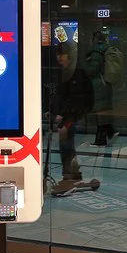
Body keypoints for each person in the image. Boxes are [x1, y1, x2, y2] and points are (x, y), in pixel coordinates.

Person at [51, 41, 94, 195]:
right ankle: (74, 175)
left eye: (62, 54)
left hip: (73, 114)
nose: (59, 57)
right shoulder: (66, 71)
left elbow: (75, 97)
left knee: (66, 143)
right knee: (67, 144)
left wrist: (63, 113)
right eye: (58, 54)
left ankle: (69, 177)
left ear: (69, 55)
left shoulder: (76, 72)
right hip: (69, 113)